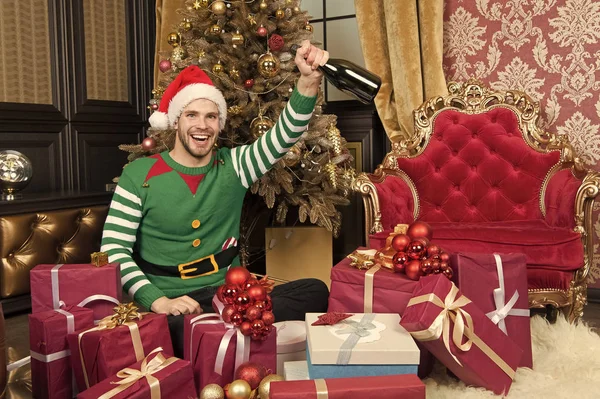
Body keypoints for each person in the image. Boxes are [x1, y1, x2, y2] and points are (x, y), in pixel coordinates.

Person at [100, 40, 330, 356]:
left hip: (231, 295)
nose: (202, 125)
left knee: (315, 291)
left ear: (219, 124)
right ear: (177, 121)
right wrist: (159, 301)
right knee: (181, 327)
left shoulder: (234, 165)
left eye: (211, 117)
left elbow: (282, 137)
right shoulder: (139, 174)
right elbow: (114, 249)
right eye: (192, 115)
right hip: (174, 303)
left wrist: (308, 81)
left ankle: (225, 335)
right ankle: (240, 334)